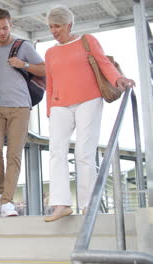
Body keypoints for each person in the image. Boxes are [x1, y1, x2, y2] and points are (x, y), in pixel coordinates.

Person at [44, 5, 135, 222]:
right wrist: (49, 109)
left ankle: (88, 205)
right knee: (56, 152)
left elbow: (104, 64)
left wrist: (118, 80)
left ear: (69, 24)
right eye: (50, 27)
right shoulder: (50, 52)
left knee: (84, 152)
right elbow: (50, 81)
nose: (54, 31)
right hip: (59, 104)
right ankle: (61, 203)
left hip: (88, 100)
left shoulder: (87, 41)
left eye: (57, 26)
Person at [0, 8, 46, 217]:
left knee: (14, 154)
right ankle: (1, 191)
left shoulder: (23, 46)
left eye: (5, 28)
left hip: (20, 106)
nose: (2, 32)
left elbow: (45, 69)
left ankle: (7, 201)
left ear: (11, 25)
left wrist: (24, 64)